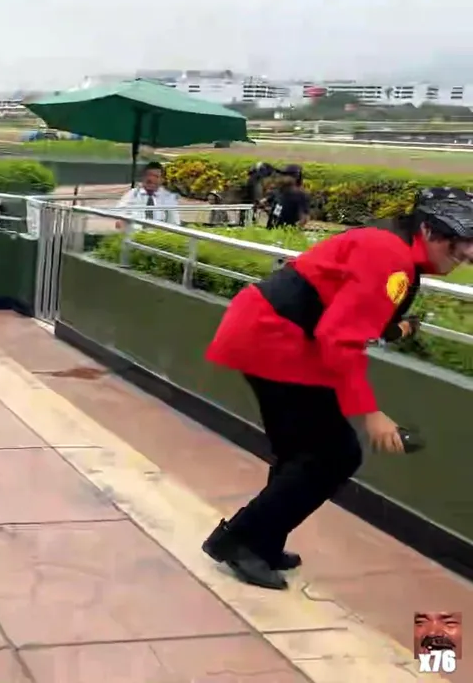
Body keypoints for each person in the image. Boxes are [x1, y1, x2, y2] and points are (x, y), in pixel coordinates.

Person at [201, 187, 473, 590]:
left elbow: (351, 309)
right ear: (430, 231)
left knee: (301, 453)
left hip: (275, 333)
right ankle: (238, 540)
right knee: (334, 454)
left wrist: (396, 329)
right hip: (274, 338)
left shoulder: (395, 251)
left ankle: (263, 543)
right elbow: (339, 338)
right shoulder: (391, 257)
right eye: (459, 245)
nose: (466, 255)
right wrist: (371, 413)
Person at [265, 164, 311, 230]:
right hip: (271, 231)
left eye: (285, 175)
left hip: (285, 233)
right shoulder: (279, 191)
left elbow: (304, 218)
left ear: (295, 178)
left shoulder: (300, 195)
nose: (281, 177)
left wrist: (292, 231)